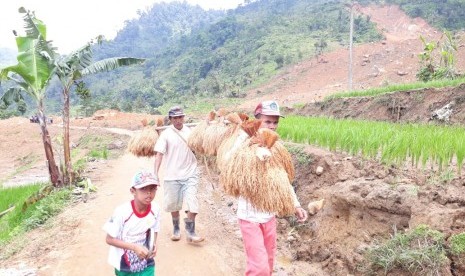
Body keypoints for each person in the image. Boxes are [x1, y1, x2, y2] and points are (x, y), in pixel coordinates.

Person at [238, 100, 308, 275]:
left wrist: (296, 204)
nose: (272, 126)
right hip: (249, 217)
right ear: (257, 119)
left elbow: (283, 180)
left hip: (269, 216)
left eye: (275, 122)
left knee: (268, 265)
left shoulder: (277, 148)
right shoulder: (243, 144)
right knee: (259, 268)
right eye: (268, 121)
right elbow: (234, 173)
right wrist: (255, 153)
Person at [153, 106, 204, 243]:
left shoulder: (190, 132)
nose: (178, 120)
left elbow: (201, 145)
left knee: (192, 204)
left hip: (190, 173)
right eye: (175, 118)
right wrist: (155, 173)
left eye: (180, 117)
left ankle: (190, 231)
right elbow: (159, 154)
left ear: (183, 117)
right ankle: (176, 228)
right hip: (172, 176)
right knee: (174, 206)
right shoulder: (166, 134)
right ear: (170, 119)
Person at [103, 170, 161, 275]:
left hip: (146, 260)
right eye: (143, 189)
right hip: (124, 264)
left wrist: (153, 244)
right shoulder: (122, 212)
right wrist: (134, 247)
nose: (149, 193)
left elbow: (154, 229)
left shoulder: (155, 209)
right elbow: (109, 239)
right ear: (133, 191)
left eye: (152, 189)